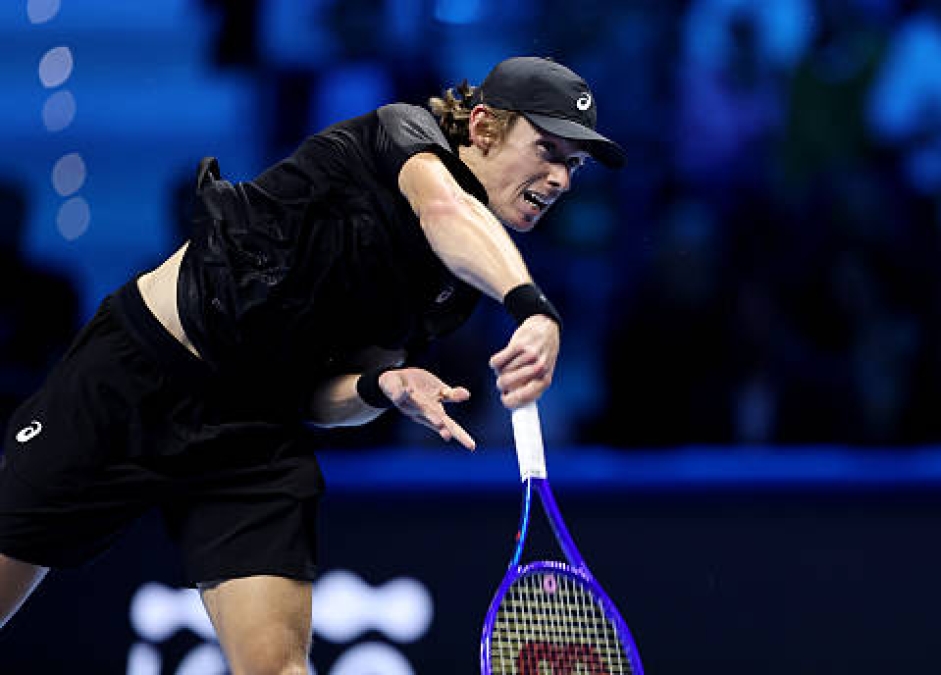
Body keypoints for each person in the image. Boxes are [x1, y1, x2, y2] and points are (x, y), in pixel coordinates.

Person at [0, 55, 624, 672]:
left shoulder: (452, 291)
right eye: (547, 150)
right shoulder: (399, 135)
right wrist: (535, 311)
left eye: (573, 165)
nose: (563, 180)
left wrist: (386, 387)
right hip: (139, 375)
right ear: (483, 126)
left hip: (252, 434)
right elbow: (444, 211)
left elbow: (320, 401)